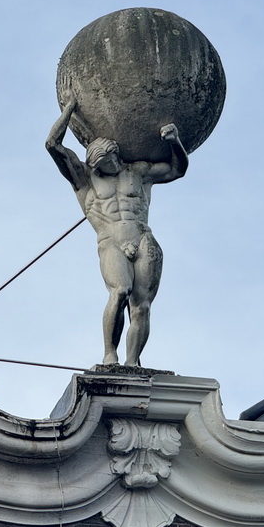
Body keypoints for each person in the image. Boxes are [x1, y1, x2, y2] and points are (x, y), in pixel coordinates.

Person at [46, 91, 189, 367]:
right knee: (120, 290)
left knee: (142, 305)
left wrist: (175, 142)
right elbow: (52, 144)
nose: (110, 166)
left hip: (143, 236)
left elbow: (175, 170)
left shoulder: (137, 172)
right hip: (110, 240)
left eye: (111, 160)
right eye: (102, 165)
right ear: (93, 165)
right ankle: (109, 354)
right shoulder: (84, 181)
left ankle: (133, 361)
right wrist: (70, 109)